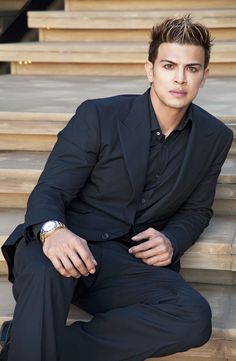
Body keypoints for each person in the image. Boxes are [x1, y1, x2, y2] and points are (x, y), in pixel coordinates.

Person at [0, 14, 233, 361]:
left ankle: (27, 343)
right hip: (69, 241)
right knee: (45, 272)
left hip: (125, 263)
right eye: (169, 65)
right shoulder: (99, 115)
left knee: (192, 317)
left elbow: (197, 210)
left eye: (192, 68)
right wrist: (53, 231)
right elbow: (50, 190)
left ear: (205, 75)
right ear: (150, 69)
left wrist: (173, 240)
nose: (180, 78)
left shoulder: (214, 137)